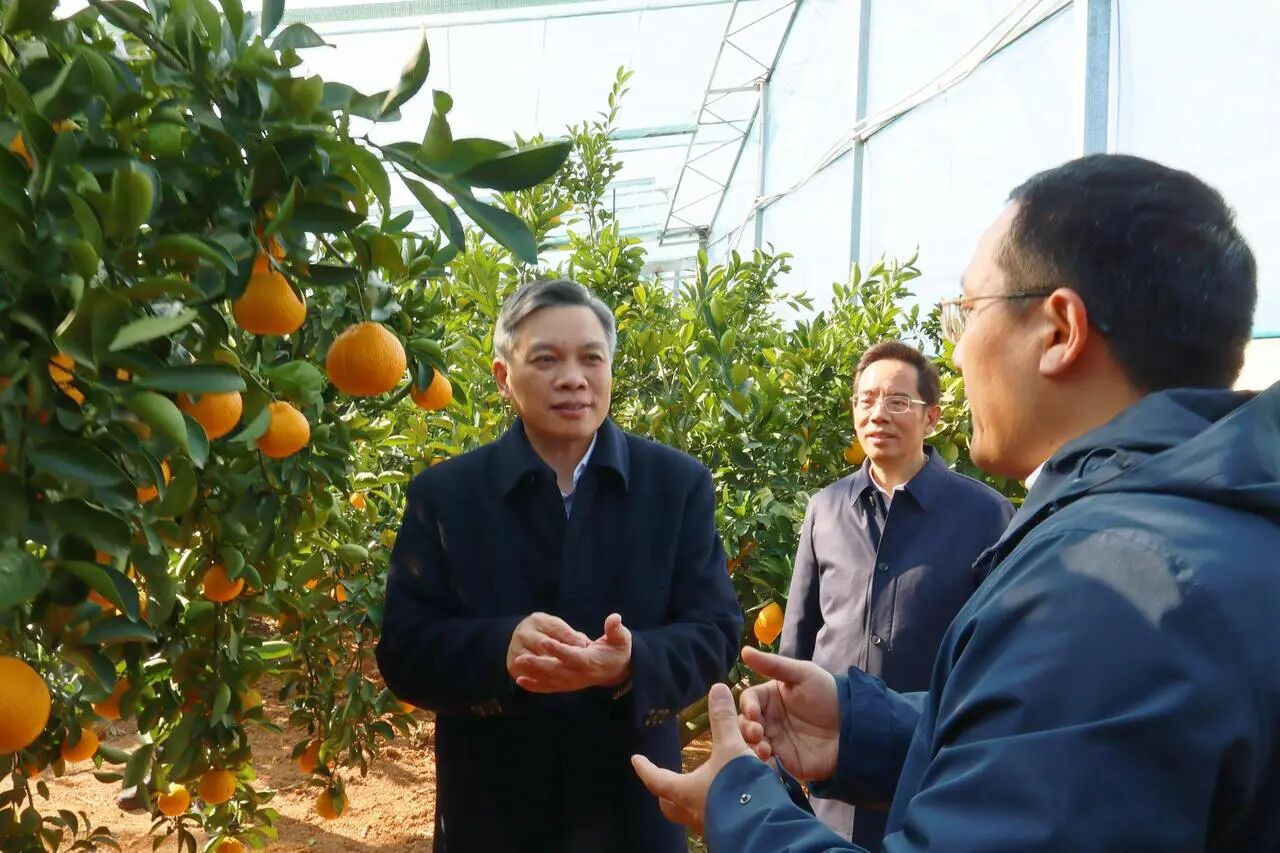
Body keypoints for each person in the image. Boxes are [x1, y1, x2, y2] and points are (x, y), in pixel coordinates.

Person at [633, 153, 1280, 849]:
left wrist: (737, 804)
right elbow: (1069, 742)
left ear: (1060, 331)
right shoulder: (1215, 522)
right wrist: (865, 727)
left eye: (967, 311)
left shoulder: (1107, 583)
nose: (960, 351)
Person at [376, 277, 743, 852]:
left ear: (609, 370)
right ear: (504, 378)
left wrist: (631, 663)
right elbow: (404, 649)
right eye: (546, 359)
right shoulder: (447, 497)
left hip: (631, 809)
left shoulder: (674, 486)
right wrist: (500, 648)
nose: (573, 377)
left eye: (590, 358)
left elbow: (715, 631)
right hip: (492, 811)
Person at [780, 341, 1013, 846]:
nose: (877, 413)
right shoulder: (826, 508)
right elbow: (800, 635)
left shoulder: (985, 514)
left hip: (929, 768)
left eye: (897, 401)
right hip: (828, 768)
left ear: (932, 418)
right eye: (866, 400)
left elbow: (996, 653)